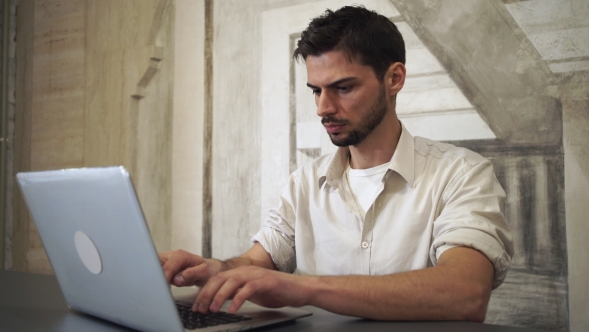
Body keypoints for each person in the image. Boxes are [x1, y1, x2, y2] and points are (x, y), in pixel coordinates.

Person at [160, 5, 513, 322]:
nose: (323, 108)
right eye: (316, 90)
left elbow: (465, 293)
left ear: (394, 79)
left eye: (343, 88)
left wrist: (307, 288)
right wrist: (215, 269)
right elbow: (256, 262)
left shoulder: (462, 174)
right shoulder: (304, 184)